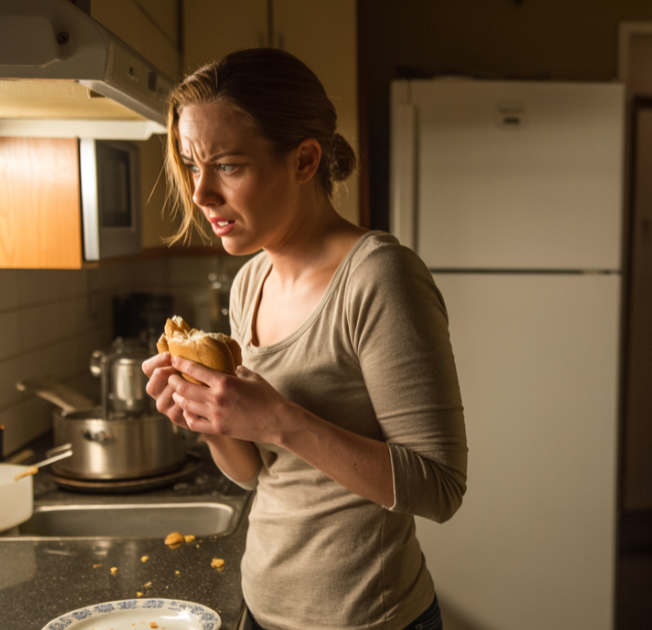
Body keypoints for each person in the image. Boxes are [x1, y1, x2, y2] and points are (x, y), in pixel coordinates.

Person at [142, 49, 467, 630]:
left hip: (369, 619)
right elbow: (256, 471)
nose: (201, 194)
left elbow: (439, 486)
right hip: (264, 611)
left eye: (229, 166)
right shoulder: (250, 282)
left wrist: (279, 420)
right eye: (193, 166)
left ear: (304, 160)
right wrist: (206, 415)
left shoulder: (379, 277)